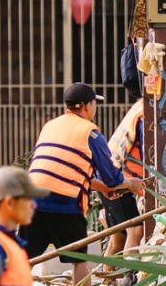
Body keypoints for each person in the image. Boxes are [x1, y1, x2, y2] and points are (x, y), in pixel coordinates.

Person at [23, 82, 124, 271]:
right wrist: (131, 183)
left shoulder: (50, 126)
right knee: (78, 260)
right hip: (64, 203)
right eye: (94, 103)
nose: (95, 108)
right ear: (86, 106)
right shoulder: (91, 134)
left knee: (23, 260)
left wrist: (102, 188)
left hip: (32, 201)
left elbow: (62, 173)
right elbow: (112, 178)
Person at [101, 98, 148, 263]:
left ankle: (108, 276)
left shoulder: (139, 107)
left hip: (111, 176)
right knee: (135, 231)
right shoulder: (144, 114)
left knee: (118, 238)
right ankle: (130, 276)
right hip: (117, 181)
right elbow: (147, 155)